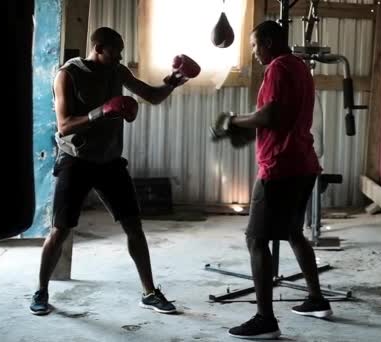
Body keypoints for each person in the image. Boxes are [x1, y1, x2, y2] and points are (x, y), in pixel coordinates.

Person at [29, 27, 199, 316]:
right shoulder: (67, 75)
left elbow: (151, 95)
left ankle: (149, 292)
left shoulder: (117, 71)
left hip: (109, 161)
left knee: (134, 226)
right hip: (76, 159)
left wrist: (172, 81)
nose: (120, 57)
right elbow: (64, 125)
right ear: (98, 48)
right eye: (115, 52)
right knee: (60, 230)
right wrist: (102, 111)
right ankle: (41, 291)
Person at [211, 20, 333, 339]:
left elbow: (271, 115)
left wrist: (234, 120)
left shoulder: (278, 67)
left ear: (267, 42)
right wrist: (249, 131)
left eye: (253, 46)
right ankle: (317, 300)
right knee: (294, 232)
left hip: (281, 167)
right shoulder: (298, 67)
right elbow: (280, 118)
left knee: (256, 239)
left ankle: (265, 320)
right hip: (303, 162)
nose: (253, 53)